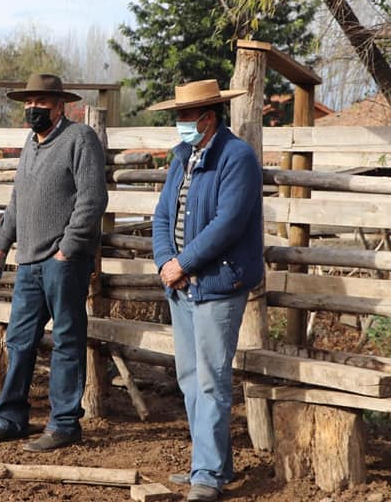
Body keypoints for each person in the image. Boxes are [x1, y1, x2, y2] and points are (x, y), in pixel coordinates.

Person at [0, 73, 108, 453]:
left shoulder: (79, 139)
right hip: (28, 261)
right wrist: (0, 244)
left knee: (66, 339)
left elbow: (92, 198)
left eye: (42, 102)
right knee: (19, 339)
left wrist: (69, 247)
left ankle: (64, 424)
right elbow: (17, 202)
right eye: (29, 102)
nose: (33, 108)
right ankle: (11, 420)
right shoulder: (31, 145)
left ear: (60, 105)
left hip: (63, 261)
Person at [149, 80, 265, 502]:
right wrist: (166, 262)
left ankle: (208, 473)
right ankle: (210, 462)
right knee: (190, 378)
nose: (180, 124)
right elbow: (162, 215)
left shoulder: (238, 158)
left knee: (212, 379)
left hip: (217, 283)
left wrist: (185, 263)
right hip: (181, 285)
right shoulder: (182, 157)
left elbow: (228, 223)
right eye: (178, 117)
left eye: (184, 117)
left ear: (208, 118)